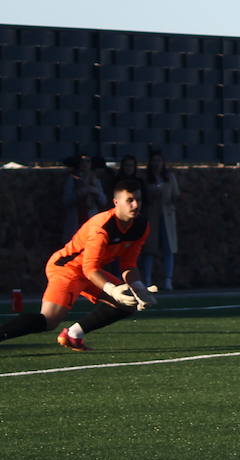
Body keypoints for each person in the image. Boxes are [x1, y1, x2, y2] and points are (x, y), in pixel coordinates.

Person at [0, 179, 156, 351]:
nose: (135, 205)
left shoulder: (141, 226)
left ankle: (73, 335)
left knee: (129, 302)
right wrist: (112, 290)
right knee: (50, 319)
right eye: (130, 200)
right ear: (116, 202)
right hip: (67, 269)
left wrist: (138, 287)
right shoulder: (102, 227)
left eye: (138, 200)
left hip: (90, 272)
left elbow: (128, 264)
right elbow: (89, 268)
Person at [138, 150, 180, 291]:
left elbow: (176, 195)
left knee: (168, 248)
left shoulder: (169, 177)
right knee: (150, 249)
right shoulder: (145, 179)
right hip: (152, 216)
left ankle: (168, 279)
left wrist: (168, 199)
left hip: (167, 216)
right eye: (154, 161)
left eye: (159, 161)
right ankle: (148, 280)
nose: (157, 164)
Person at [61, 154, 106, 239]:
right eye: (82, 161)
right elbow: (65, 201)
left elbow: (103, 201)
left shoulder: (95, 180)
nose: (85, 164)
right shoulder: (72, 179)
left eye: (88, 161)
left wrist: (94, 190)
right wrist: (79, 193)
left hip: (91, 218)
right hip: (76, 220)